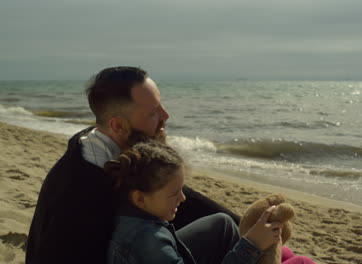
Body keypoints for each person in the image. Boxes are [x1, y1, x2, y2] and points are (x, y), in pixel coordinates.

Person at [26, 66, 239, 264]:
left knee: (225, 226)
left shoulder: (117, 152)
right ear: (118, 125)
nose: (166, 117)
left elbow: (176, 195)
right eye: (153, 113)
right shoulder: (80, 191)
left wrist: (253, 222)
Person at [105, 140, 314, 264]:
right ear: (140, 198)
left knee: (222, 223)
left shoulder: (132, 215)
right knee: (301, 262)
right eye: (174, 194)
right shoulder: (149, 242)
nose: (183, 198)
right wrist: (251, 246)